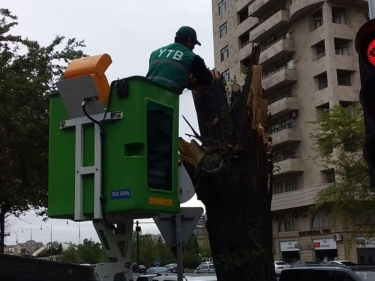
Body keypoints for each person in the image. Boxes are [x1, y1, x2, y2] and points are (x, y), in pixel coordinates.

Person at [145, 26, 219, 189]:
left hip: (142, 105)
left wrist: (185, 81)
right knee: (161, 148)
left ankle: (144, 182)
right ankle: (157, 187)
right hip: (163, 106)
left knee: (147, 145)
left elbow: (166, 75)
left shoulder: (155, 53)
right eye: (193, 44)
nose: (193, 48)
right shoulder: (191, 58)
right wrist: (195, 80)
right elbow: (206, 79)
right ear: (189, 41)